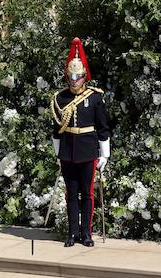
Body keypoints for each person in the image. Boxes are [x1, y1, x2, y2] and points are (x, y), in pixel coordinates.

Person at [50, 37, 111, 247]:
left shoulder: (94, 98)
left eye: (78, 76)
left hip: (87, 151)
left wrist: (105, 154)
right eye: (71, 76)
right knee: (71, 195)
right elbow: (56, 130)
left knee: (87, 194)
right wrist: (58, 154)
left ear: (84, 76)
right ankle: (72, 233)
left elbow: (103, 127)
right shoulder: (60, 98)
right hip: (67, 152)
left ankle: (86, 233)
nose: (74, 80)